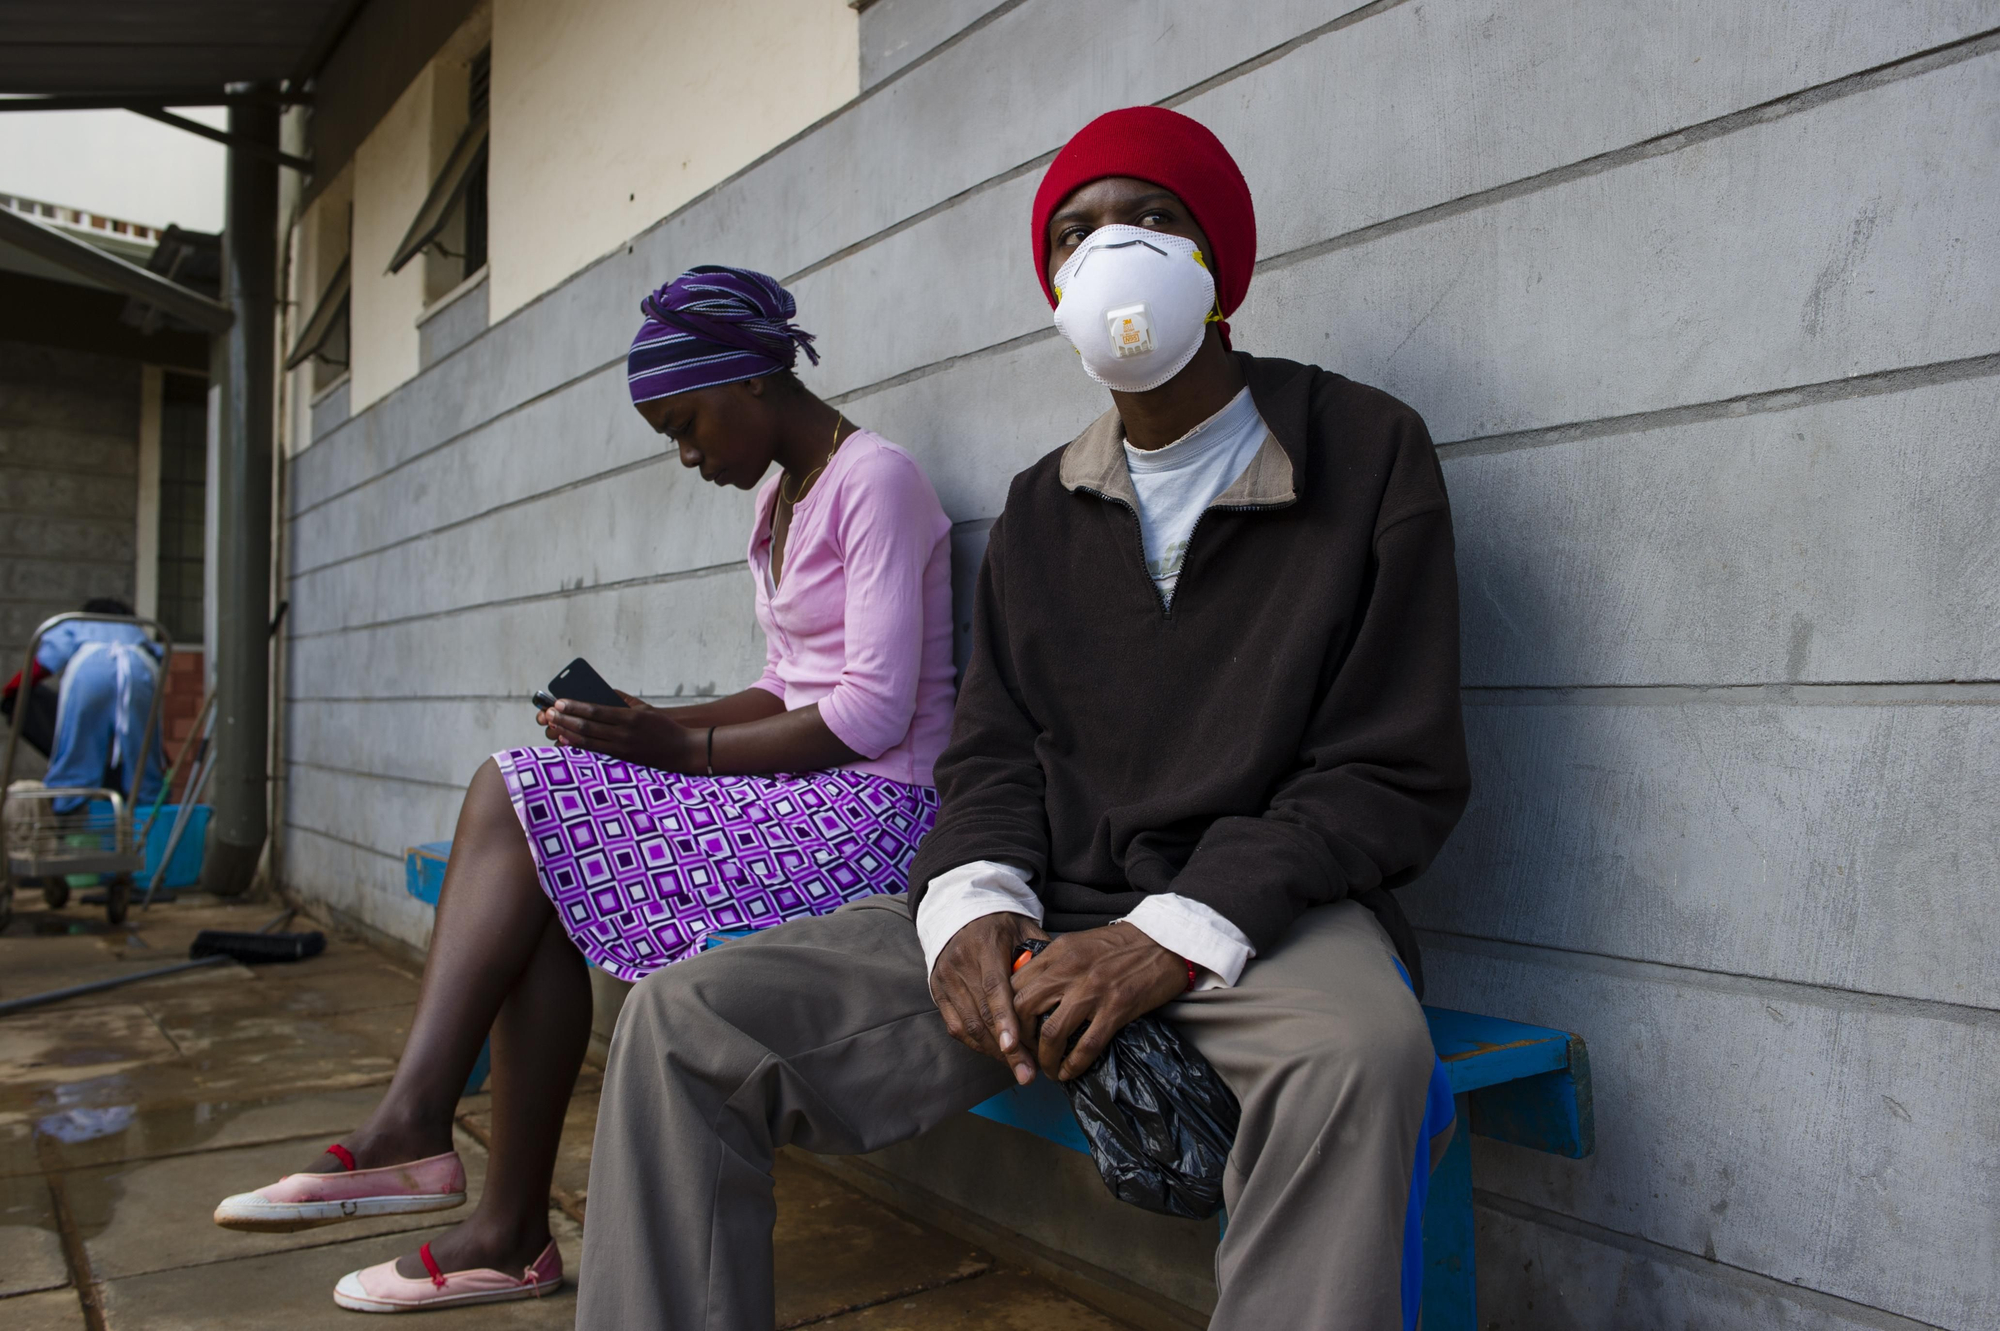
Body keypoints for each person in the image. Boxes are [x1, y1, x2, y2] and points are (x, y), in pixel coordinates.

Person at [574, 108, 1471, 1330]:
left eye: (1152, 220)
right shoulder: (1040, 507)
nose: (1112, 251)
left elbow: (1385, 768)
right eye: (1075, 231)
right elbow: (989, 753)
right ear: (1050, 285)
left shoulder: (1363, 449)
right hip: (1041, 920)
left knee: (1366, 1058)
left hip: (1262, 916)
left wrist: (1174, 931)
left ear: (1221, 266)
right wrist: (976, 903)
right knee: (685, 1022)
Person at [209, 265, 958, 1313]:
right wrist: (643, 726)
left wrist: (680, 746)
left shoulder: (873, 479)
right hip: (803, 795)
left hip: (875, 817)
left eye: (687, 425)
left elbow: (872, 714)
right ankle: (488, 1210)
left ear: (749, 381)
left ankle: (438, 1150)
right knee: (544, 819)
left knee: (523, 797)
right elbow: (788, 686)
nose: (690, 455)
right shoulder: (781, 503)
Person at [2, 598, 165, 811]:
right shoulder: (134, 630)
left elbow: (45, 662)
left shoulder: (77, 623)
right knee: (142, 755)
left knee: (79, 751)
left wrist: (12, 689)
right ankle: (148, 815)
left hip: (89, 669)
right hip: (139, 668)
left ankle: (69, 807)